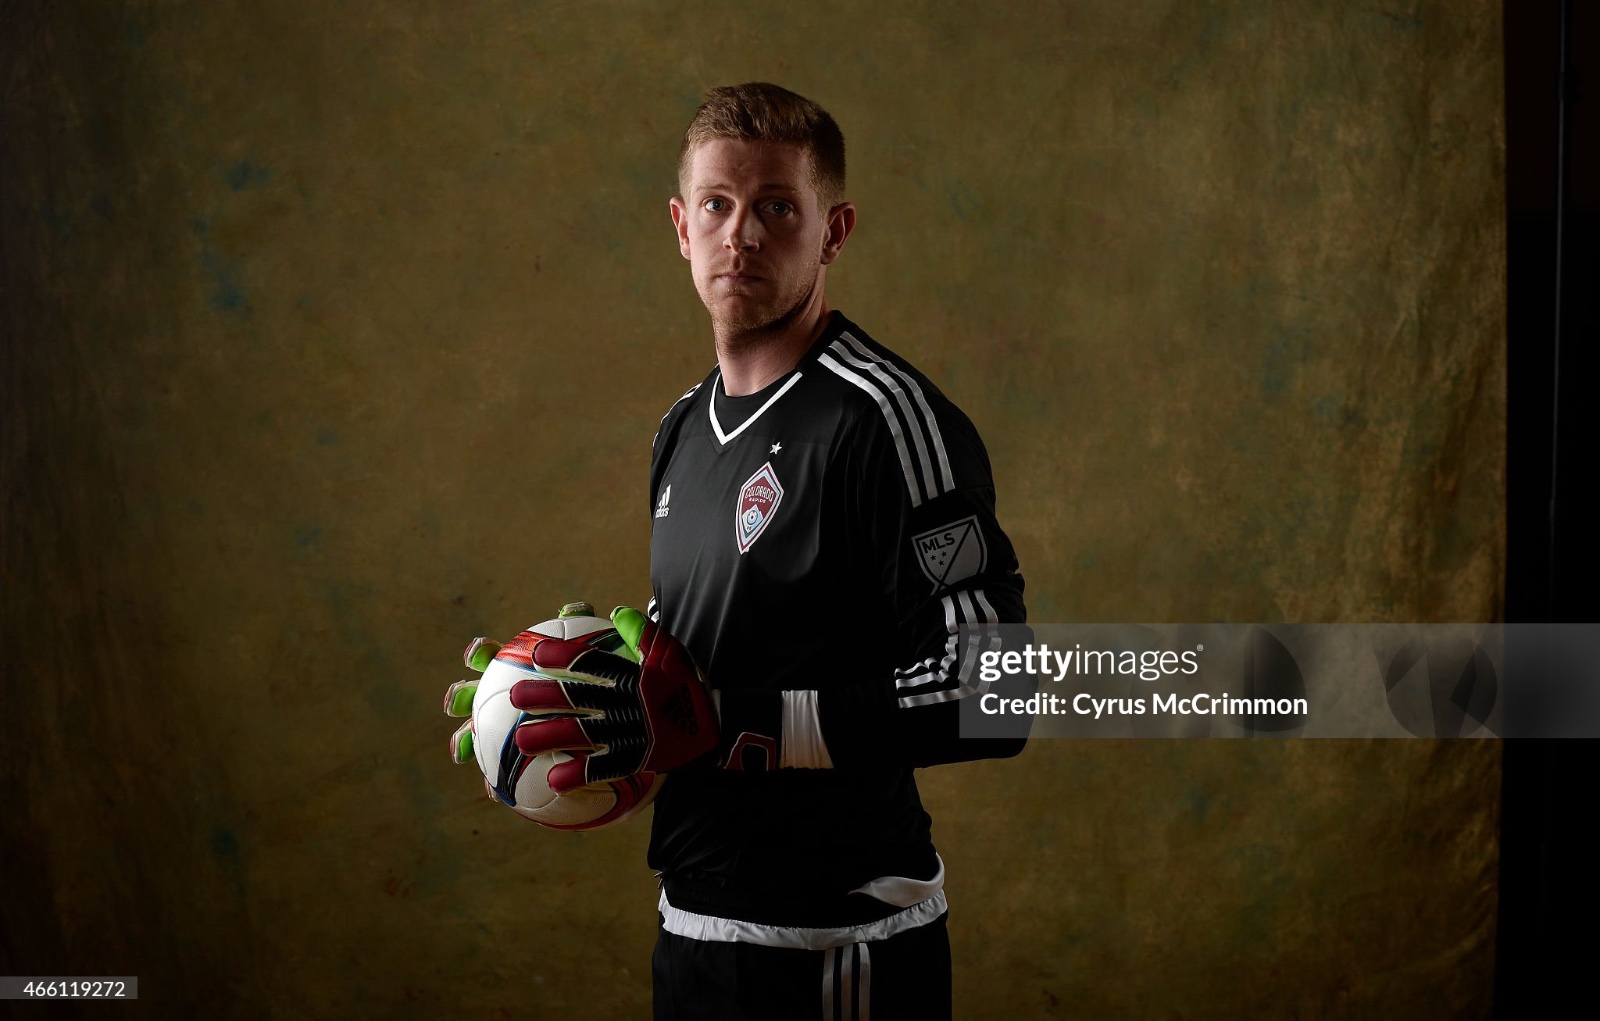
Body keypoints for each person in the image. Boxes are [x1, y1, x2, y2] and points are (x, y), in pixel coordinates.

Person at [470, 82, 1030, 1020]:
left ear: (833, 231)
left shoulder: (886, 421)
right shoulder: (681, 428)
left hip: (840, 947)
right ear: (681, 227)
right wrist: (557, 699)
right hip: (693, 927)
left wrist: (732, 723)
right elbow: (700, 674)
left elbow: (993, 692)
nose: (742, 235)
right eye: (718, 206)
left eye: (777, 207)